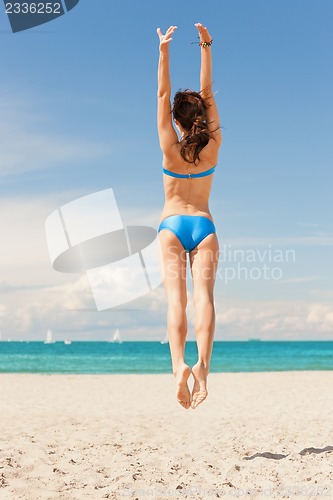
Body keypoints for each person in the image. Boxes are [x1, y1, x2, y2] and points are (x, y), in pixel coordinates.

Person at [156, 23, 222, 409]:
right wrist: (206, 45)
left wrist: (164, 50)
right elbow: (208, 92)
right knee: (205, 298)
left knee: (175, 301)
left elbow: (163, 92)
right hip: (204, 226)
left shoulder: (169, 148)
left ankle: (179, 364)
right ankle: (202, 368)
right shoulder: (212, 146)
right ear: (200, 117)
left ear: (177, 121)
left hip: (171, 226)